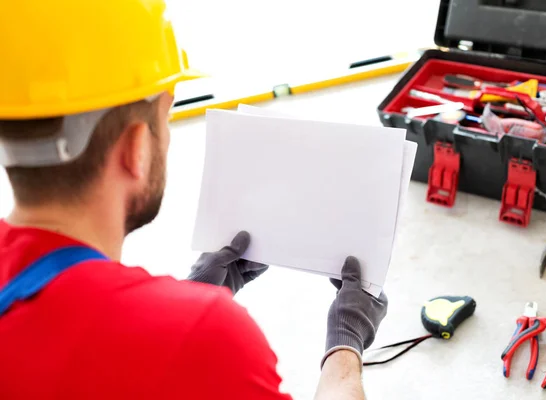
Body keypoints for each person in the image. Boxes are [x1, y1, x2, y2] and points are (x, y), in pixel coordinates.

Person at [0, 1, 388, 399]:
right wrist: (346, 345)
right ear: (136, 148)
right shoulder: (208, 338)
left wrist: (183, 302)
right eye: (163, 121)